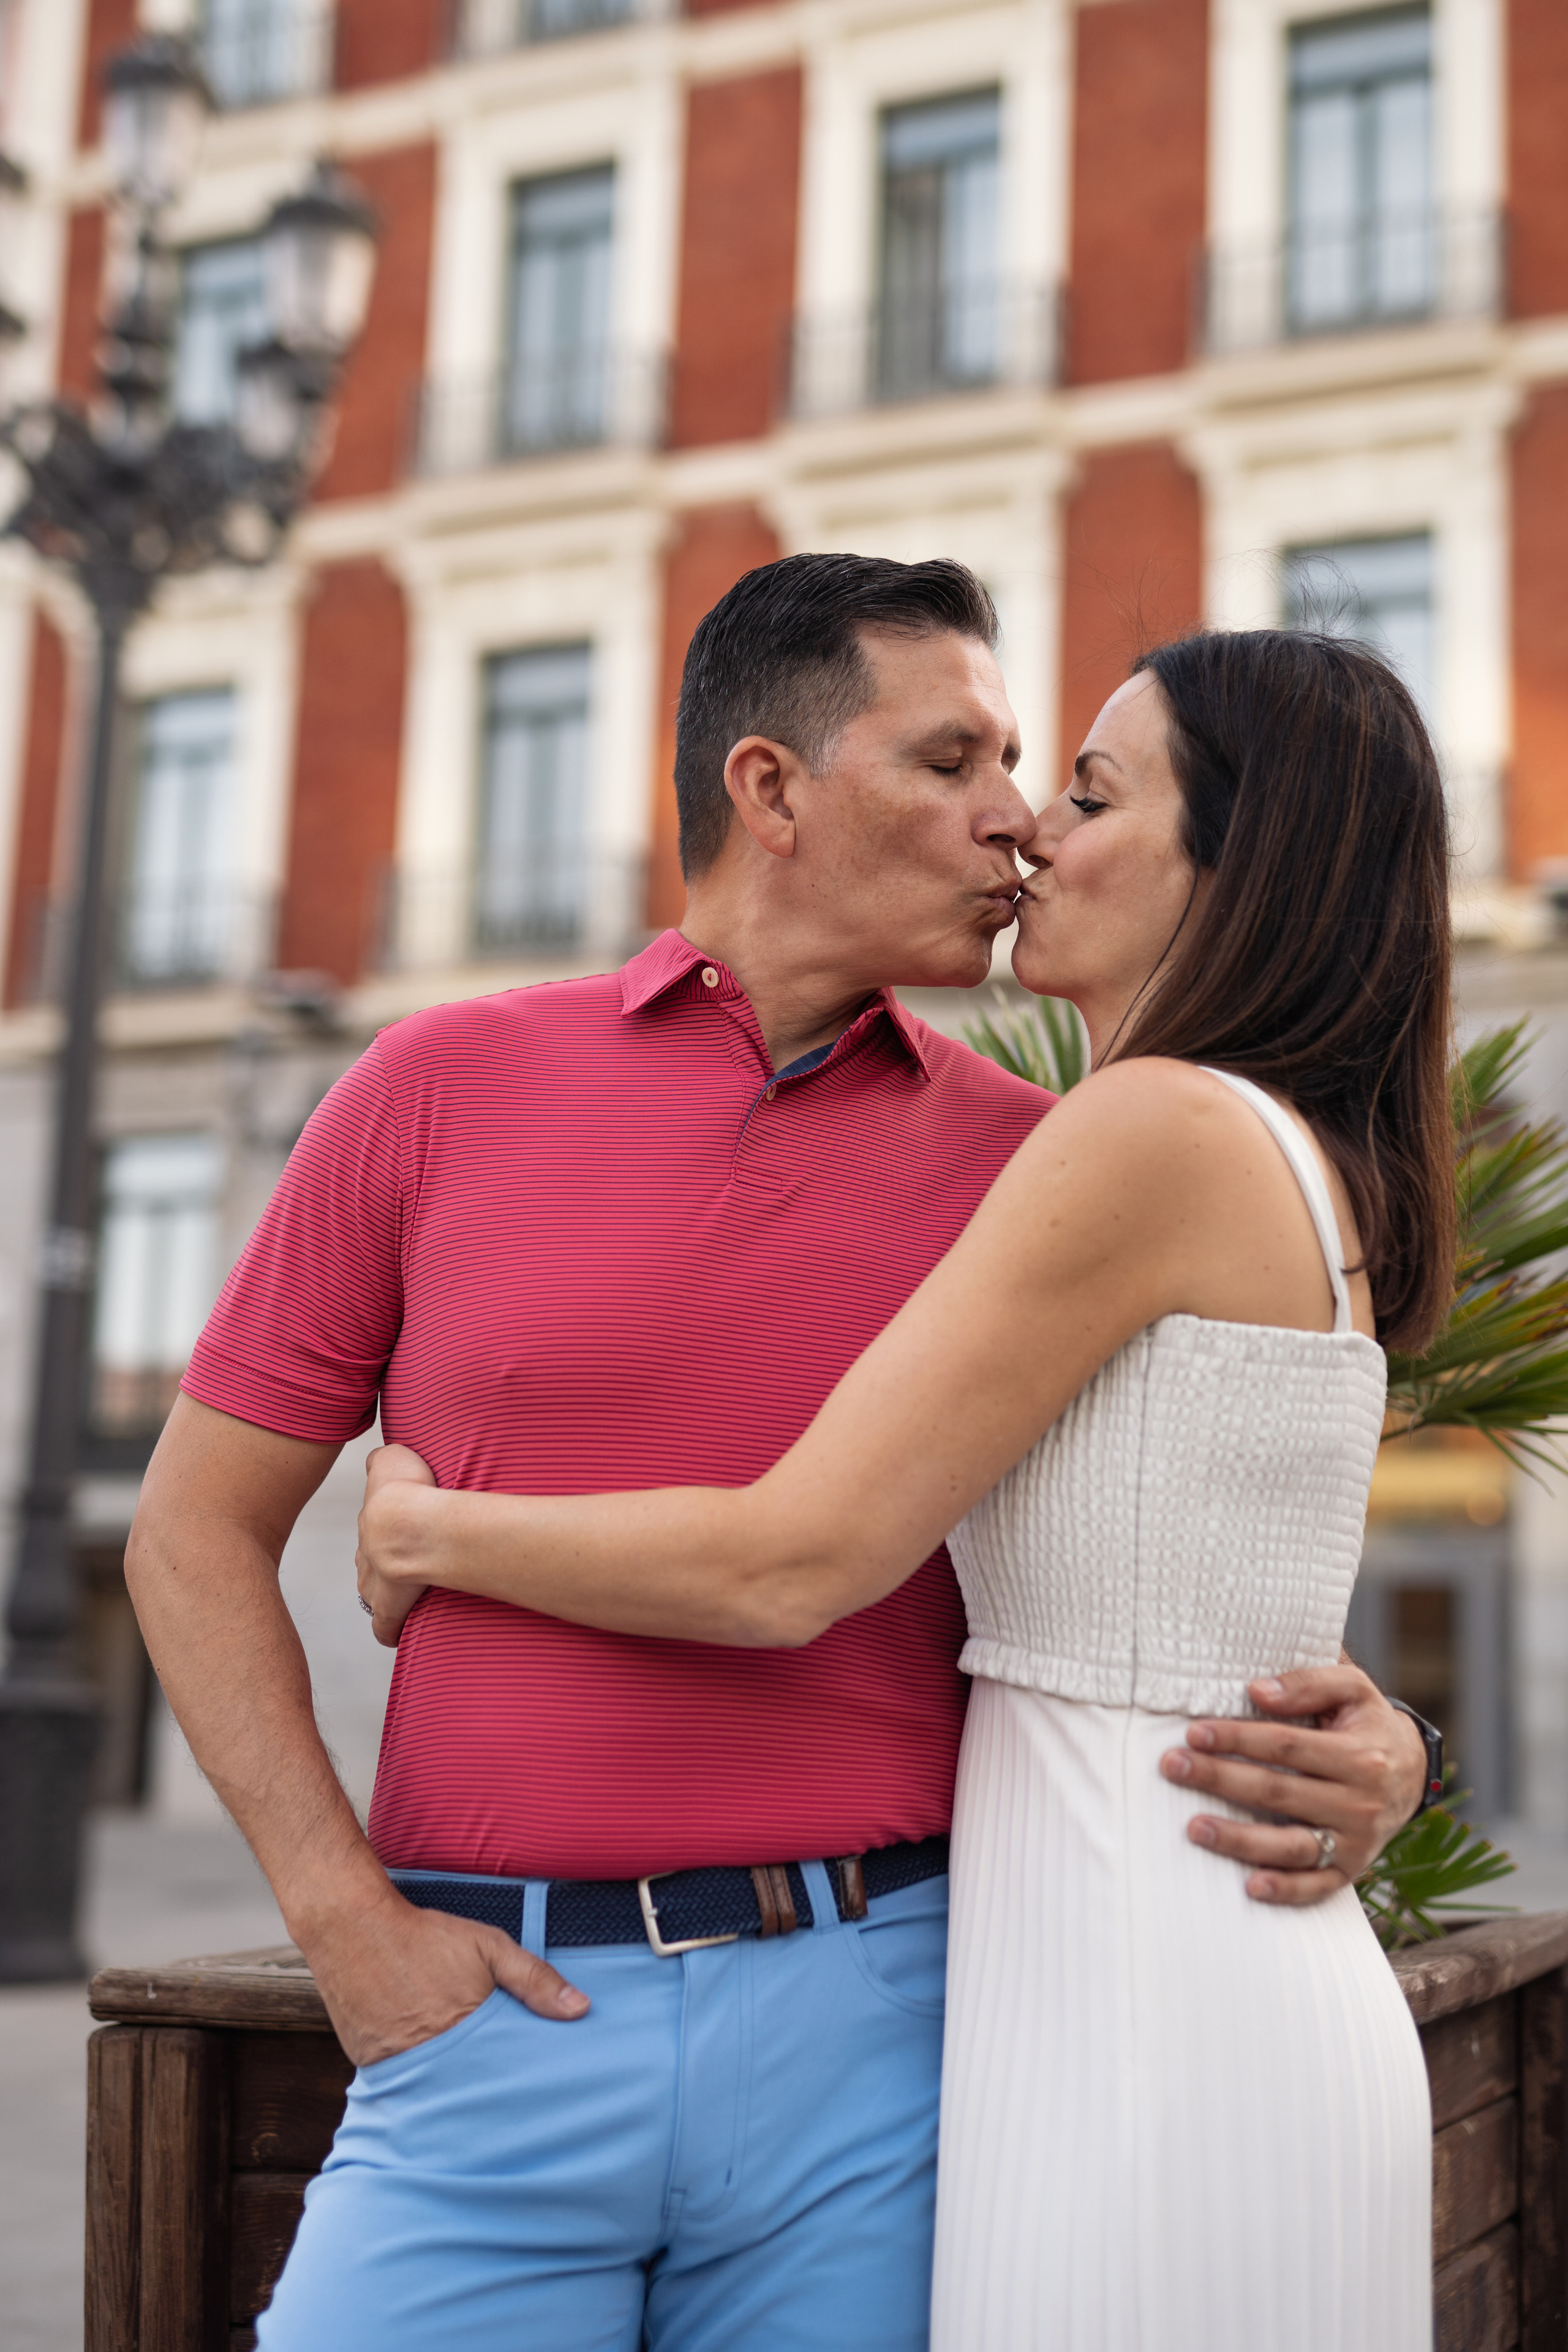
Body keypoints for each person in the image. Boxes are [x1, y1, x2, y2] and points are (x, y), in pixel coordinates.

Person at [128, 558, 1430, 2352]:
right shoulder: (439, 1084)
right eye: (955, 762)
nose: (1016, 827)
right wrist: (341, 1921)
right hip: (499, 2026)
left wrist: (1379, 1736)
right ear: (772, 789)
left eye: (1044, 775)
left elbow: (1178, 1534)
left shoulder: (1044, 1161)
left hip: (899, 2053)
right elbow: (191, 1532)